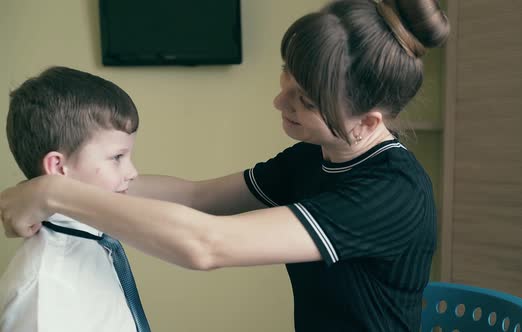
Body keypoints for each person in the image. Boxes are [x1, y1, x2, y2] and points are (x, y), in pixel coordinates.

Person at [0, 0, 449, 330]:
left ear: (366, 121)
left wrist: (51, 193)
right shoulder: (313, 157)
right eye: (285, 79)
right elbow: (198, 198)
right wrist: (73, 181)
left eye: (305, 102)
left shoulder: (392, 193)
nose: (279, 102)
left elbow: (207, 245)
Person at [0, 66, 151, 332]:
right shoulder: (44, 289)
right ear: (58, 167)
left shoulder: (98, 243)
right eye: (117, 157)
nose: (132, 172)